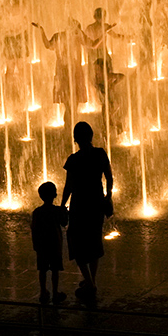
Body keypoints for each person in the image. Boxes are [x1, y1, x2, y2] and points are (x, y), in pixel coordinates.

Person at [62, 122, 113, 300]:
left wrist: (62, 205)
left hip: (80, 204)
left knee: (77, 242)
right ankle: (91, 280)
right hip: (97, 202)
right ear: (91, 136)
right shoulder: (100, 154)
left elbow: (69, 186)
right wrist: (108, 195)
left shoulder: (73, 160)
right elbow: (109, 176)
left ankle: (90, 284)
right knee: (93, 240)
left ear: (75, 139)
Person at [33, 20, 89, 128]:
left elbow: (92, 44)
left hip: (75, 72)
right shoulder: (59, 36)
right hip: (64, 72)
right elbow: (48, 45)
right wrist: (42, 30)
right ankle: (69, 125)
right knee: (68, 102)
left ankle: (70, 125)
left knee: (73, 102)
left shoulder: (76, 37)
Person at [31, 182, 68, 304]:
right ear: (55, 195)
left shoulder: (37, 212)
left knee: (42, 269)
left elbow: (34, 228)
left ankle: (43, 292)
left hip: (42, 245)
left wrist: (35, 244)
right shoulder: (56, 211)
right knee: (55, 270)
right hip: (55, 244)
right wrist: (65, 212)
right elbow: (64, 223)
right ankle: (55, 292)